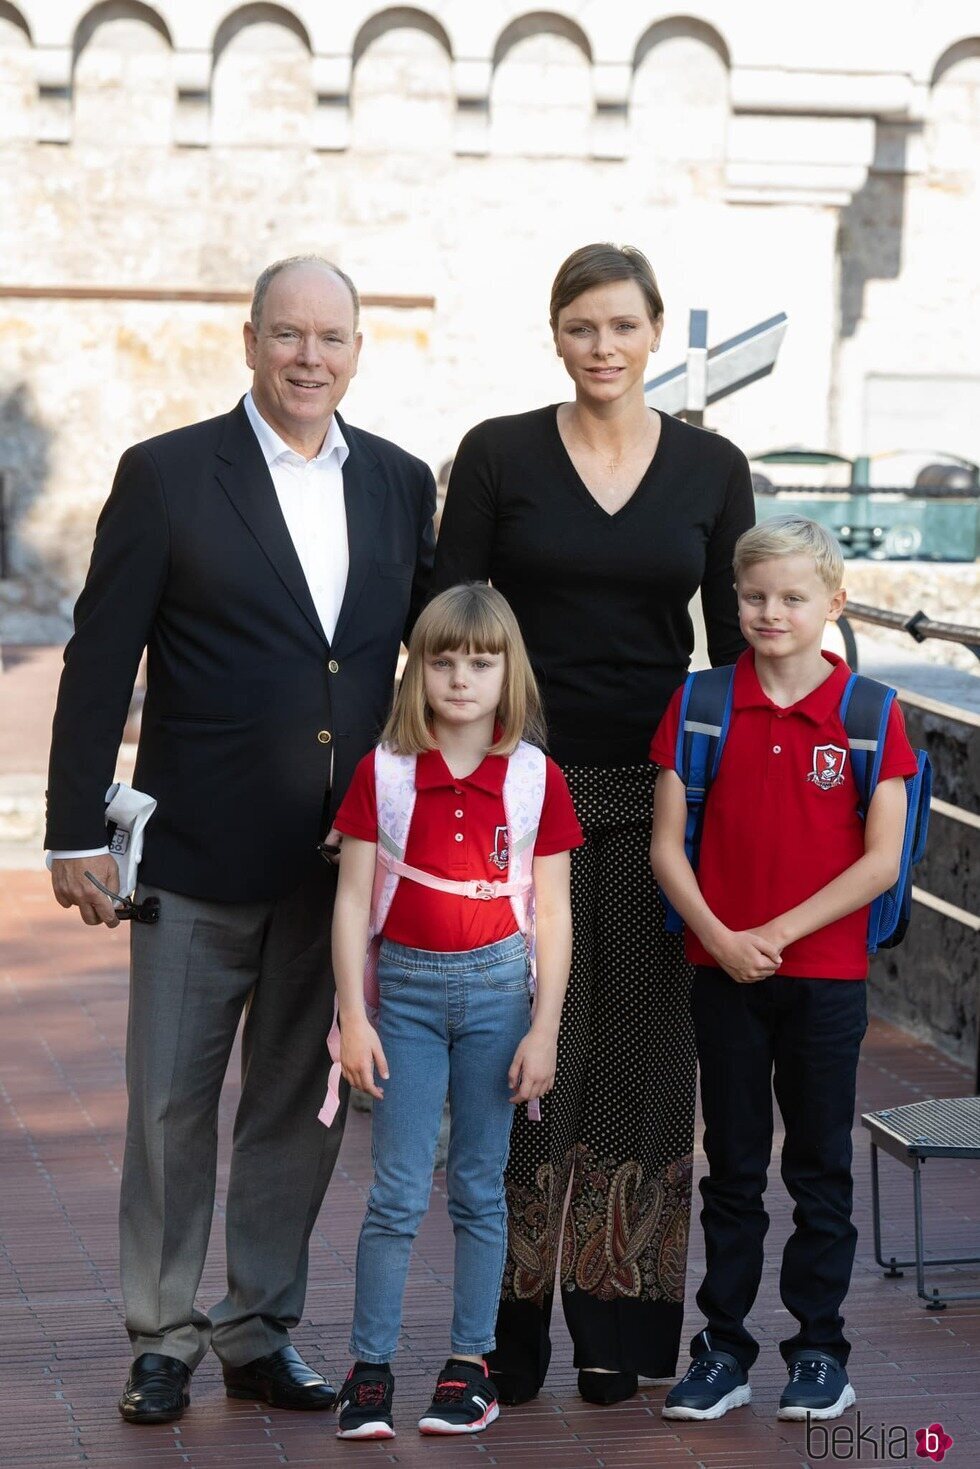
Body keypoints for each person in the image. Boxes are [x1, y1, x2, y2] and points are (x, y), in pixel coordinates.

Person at [44, 256, 435, 1425]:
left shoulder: (402, 485)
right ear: (250, 340)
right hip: (195, 859)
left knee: (293, 1109)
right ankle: (160, 1333)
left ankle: (258, 1328)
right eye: (287, 335)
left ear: (358, 349)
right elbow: (99, 655)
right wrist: (74, 830)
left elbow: (437, 658)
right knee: (168, 1106)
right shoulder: (167, 475)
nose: (308, 357)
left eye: (331, 337)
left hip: (338, 870)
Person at [432, 243, 754, 1404]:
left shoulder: (712, 466)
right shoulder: (498, 454)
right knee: (522, 1068)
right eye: (581, 326)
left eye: (621, 325)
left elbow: (733, 647)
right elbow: (446, 623)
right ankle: (502, 1334)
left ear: (653, 332)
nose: (602, 346)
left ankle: (618, 1331)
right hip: (513, 800)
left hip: (654, 800)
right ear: (556, 335)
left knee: (641, 1070)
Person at [649, 516, 917, 1423]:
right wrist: (724, 937)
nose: (771, 612)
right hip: (723, 969)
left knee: (817, 1168)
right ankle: (722, 1348)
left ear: (832, 604)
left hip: (828, 977)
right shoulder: (701, 705)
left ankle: (819, 1351)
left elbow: (882, 858)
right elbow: (665, 846)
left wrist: (777, 930)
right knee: (729, 1167)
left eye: (793, 597)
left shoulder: (872, 715)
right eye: (754, 596)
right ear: (733, 600)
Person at [326, 584, 582, 1439]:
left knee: (479, 1186)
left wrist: (544, 1028)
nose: (462, 678)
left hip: (502, 993)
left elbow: (553, 911)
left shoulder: (537, 777)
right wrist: (352, 1018)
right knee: (396, 1190)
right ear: (418, 669)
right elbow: (353, 898)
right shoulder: (384, 772)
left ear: (510, 671)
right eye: (443, 660)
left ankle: (470, 1365)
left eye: (481, 661)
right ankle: (369, 1370)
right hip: (402, 995)